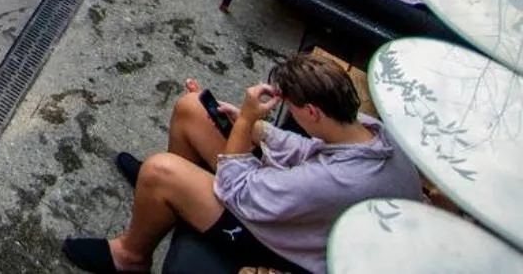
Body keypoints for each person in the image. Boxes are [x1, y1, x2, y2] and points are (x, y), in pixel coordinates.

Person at [63, 53, 422, 274]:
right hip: (303, 205)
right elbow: (309, 148)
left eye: (291, 108)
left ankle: (130, 256)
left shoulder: (334, 180)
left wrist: (247, 122)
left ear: (312, 111)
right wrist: (258, 129)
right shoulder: (369, 130)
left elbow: (235, 186)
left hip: (287, 245)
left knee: (160, 171)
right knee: (192, 108)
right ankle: (159, 203)